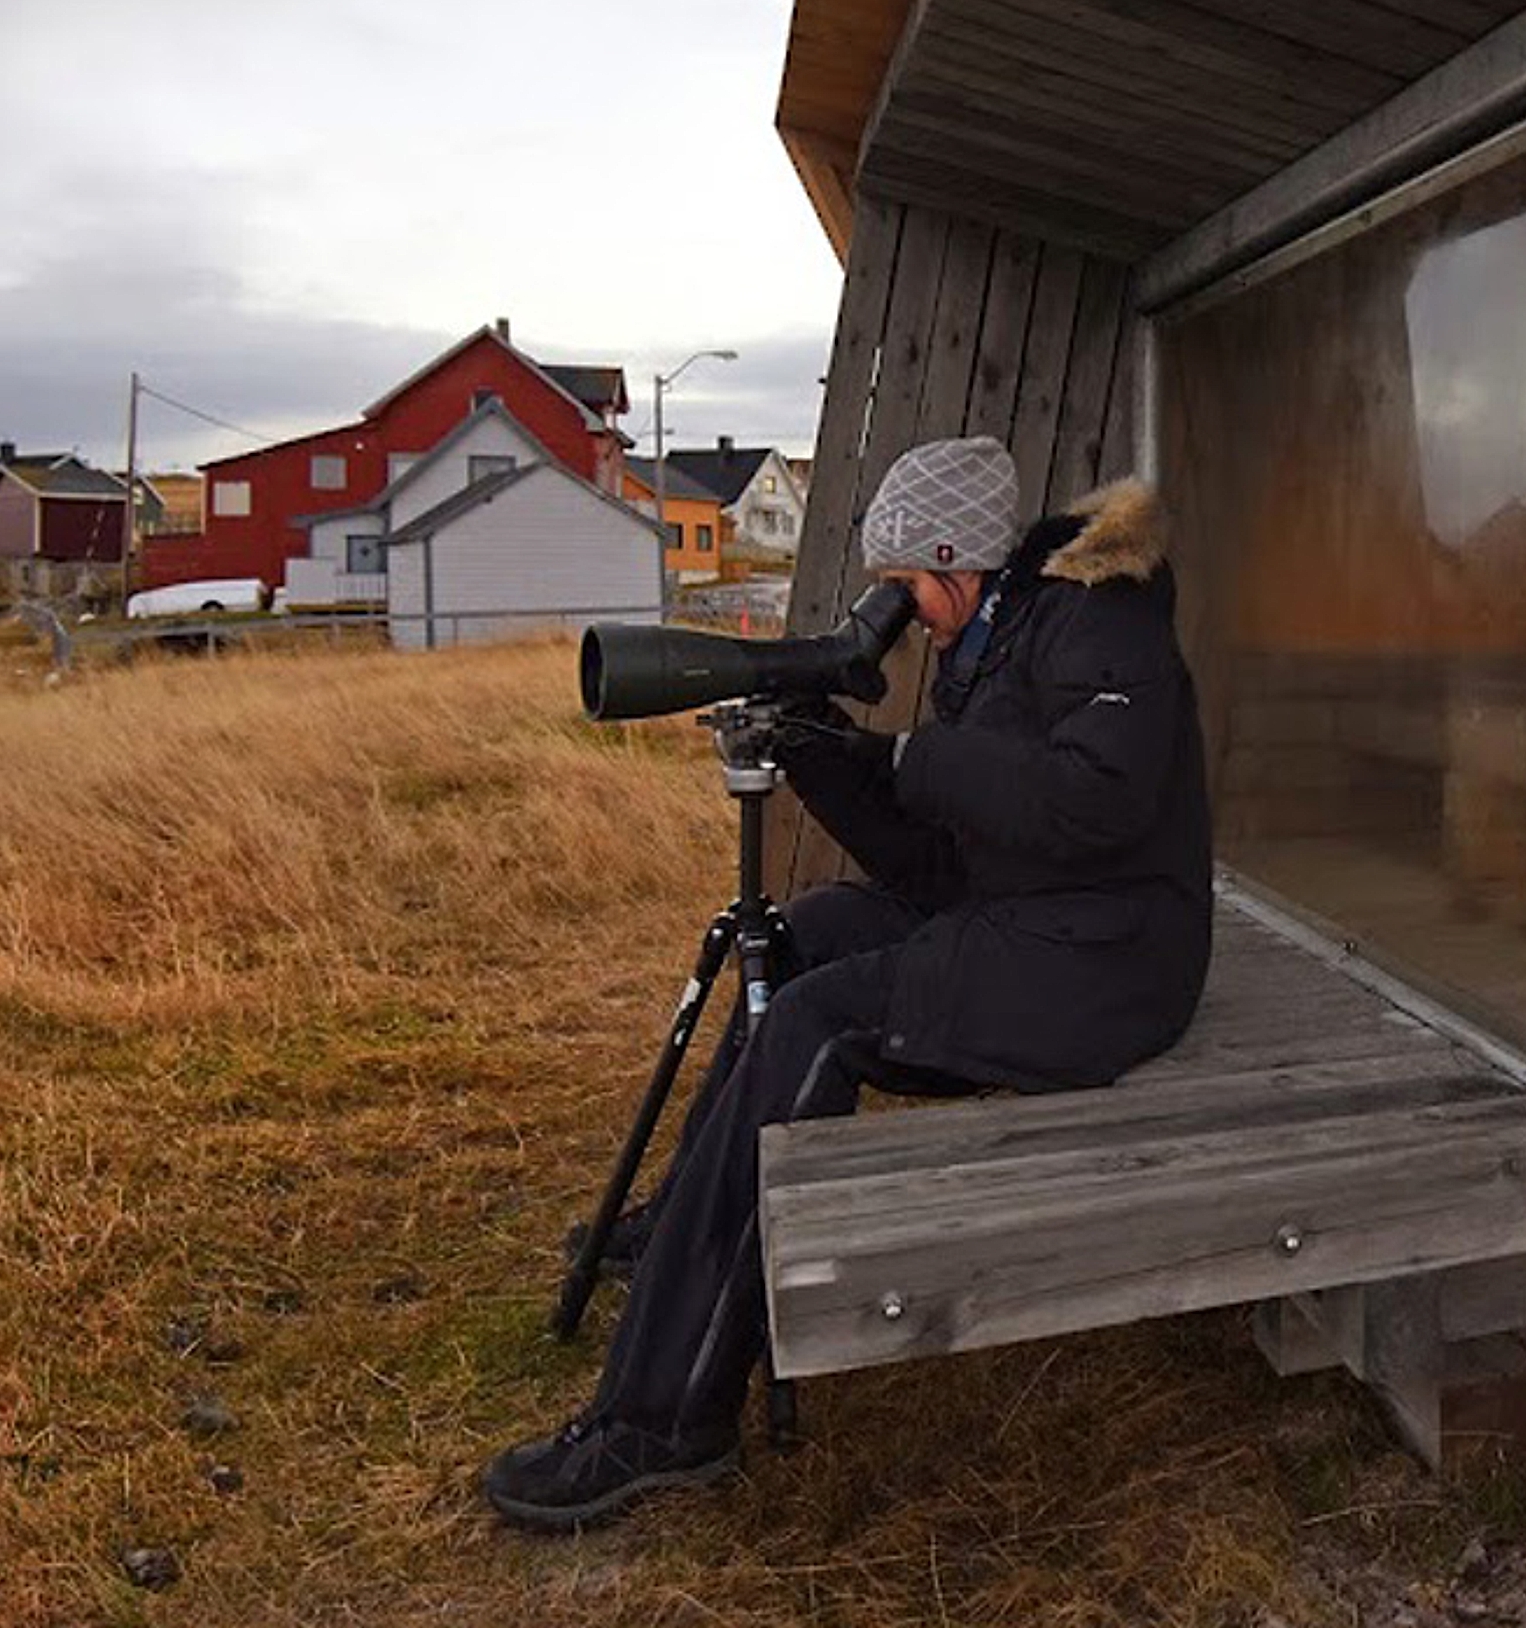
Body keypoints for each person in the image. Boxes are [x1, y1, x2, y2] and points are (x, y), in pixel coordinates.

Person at [482, 435, 1215, 1531]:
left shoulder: (1099, 620)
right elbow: (944, 866)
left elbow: (1092, 803)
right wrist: (833, 759)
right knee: (805, 935)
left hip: (1113, 960)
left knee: (820, 1022)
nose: (905, 609)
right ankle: (688, 1225)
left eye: (908, 582)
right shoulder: (996, 630)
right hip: (1036, 920)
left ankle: (664, 1419)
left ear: (956, 559)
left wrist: (915, 758)